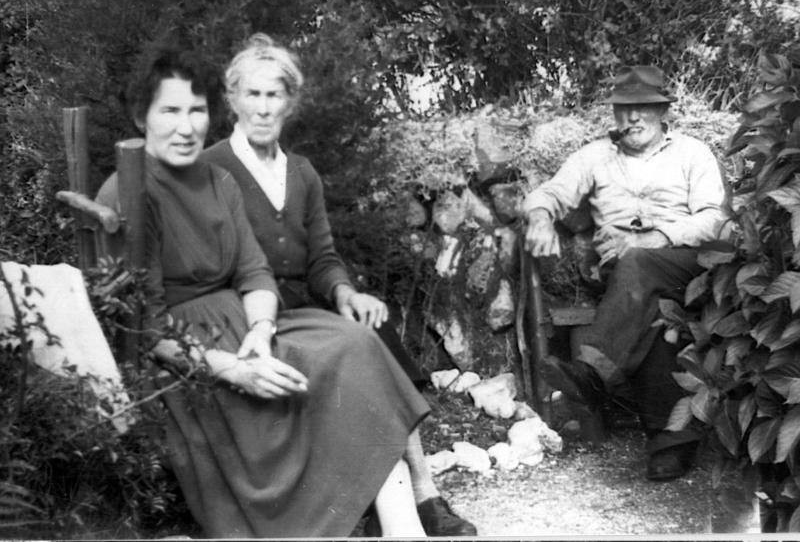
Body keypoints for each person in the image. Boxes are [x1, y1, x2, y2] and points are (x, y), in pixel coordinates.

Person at [96, 47, 431, 537]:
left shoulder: (218, 180)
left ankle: (406, 520)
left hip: (247, 323)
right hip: (185, 351)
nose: (186, 127)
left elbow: (254, 272)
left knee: (356, 343)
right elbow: (146, 330)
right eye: (169, 111)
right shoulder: (131, 192)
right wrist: (235, 369)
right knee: (308, 372)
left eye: (195, 110)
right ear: (139, 117)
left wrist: (260, 329)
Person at [201, 33, 476, 536]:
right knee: (358, 352)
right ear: (233, 100)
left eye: (274, 96)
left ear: (290, 102)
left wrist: (347, 294)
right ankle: (415, 499)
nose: (263, 108)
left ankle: (421, 490)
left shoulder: (302, 173)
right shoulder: (212, 167)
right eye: (253, 95)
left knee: (376, 328)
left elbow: (323, 259)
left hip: (305, 302)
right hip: (246, 311)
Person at [522, 65, 726, 481]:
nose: (633, 118)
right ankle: (670, 444)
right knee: (650, 308)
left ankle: (594, 373)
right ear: (614, 113)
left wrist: (657, 237)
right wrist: (541, 218)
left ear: (663, 110)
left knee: (638, 265)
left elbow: (714, 219)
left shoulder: (692, 152)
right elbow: (549, 193)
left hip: (687, 263)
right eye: (624, 109)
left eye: (644, 108)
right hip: (625, 277)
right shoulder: (595, 156)